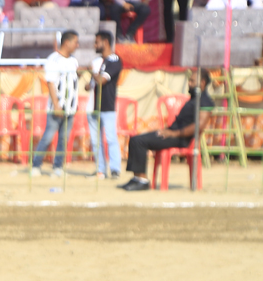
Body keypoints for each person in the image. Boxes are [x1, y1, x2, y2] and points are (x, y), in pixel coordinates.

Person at [119, 69, 214, 191]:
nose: (189, 83)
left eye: (192, 81)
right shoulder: (194, 99)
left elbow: (198, 126)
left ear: (202, 83)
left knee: (139, 141)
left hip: (181, 138)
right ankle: (136, 178)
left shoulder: (205, 102)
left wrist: (174, 133)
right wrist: (170, 131)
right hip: (173, 133)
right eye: (189, 80)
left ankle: (142, 180)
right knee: (135, 139)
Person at [29, 30, 80, 178]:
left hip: (70, 108)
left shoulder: (74, 61)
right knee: (48, 137)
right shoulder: (53, 59)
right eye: (75, 42)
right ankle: (36, 165)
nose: (77, 45)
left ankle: (58, 167)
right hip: (56, 108)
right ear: (67, 42)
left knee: (64, 139)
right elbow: (50, 83)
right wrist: (56, 105)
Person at [86, 30, 123, 179]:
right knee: (96, 141)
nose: (95, 45)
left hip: (107, 106)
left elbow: (102, 80)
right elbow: (91, 84)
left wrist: (92, 73)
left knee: (111, 138)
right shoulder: (96, 61)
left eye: (97, 42)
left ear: (105, 42)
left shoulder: (115, 60)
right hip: (92, 106)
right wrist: (88, 82)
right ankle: (100, 169)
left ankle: (115, 169)